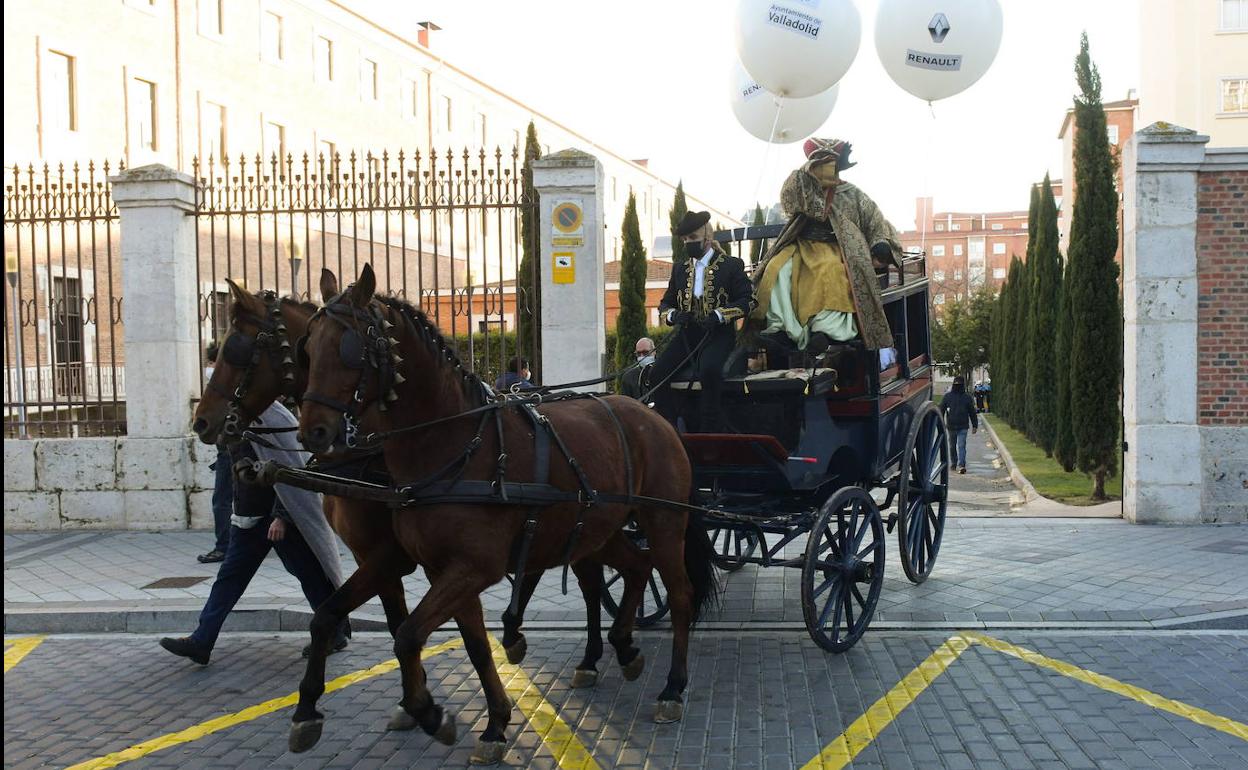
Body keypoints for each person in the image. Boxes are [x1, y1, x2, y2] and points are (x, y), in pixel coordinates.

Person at [161, 402, 350, 665]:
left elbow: (293, 469)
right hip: (248, 518)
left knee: (310, 575)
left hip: (278, 522)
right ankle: (202, 641)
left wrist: (281, 517)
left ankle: (334, 632)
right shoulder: (237, 413)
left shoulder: (274, 416)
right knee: (229, 580)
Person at [750, 138, 902, 371]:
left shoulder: (854, 194)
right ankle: (780, 329)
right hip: (802, 245)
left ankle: (827, 330)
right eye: (822, 163)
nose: (826, 169)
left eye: (830, 163)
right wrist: (808, 175)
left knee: (829, 271)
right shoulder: (804, 187)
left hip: (839, 250)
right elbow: (789, 200)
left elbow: (876, 222)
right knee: (776, 270)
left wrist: (880, 244)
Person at [650, 210, 755, 432]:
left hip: (718, 335)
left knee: (709, 371)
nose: (689, 243)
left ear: (707, 238)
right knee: (657, 372)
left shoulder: (731, 265)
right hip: (688, 335)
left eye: (693, 239)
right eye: (686, 240)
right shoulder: (680, 268)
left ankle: (710, 431)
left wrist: (719, 315)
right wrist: (673, 315)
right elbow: (665, 303)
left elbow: (748, 300)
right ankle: (668, 429)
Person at [198, 341, 232, 564]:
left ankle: (223, 547)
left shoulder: (226, 384)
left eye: (213, 362)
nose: (209, 367)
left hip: (233, 449)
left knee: (222, 501)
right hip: (227, 449)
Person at [940, 376, 979, 474]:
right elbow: (941, 410)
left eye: (959, 385)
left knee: (961, 445)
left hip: (963, 426)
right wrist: (941, 423)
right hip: (951, 426)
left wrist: (975, 425)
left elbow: (972, 412)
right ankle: (954, 463)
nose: (957, 387)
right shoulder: (947, 397)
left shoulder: (967, 397)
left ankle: (962, 465)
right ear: (953, 385)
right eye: (956, 385)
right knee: (952, 446)